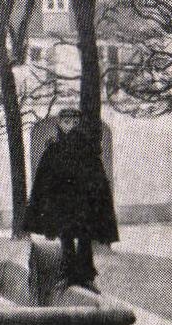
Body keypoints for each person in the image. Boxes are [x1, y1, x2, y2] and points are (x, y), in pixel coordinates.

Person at [24, 107, 118, 288]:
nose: (71, 126)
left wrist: (96, 200)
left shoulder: (88, 149)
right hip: (62, 203)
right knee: (66, 236)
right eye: (67, 122)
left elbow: (98, 178)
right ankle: (67, 273)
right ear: (60, 124)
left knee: (84, 236)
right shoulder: (53, 149)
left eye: (75, 122)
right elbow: (44, 178)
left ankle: (85, 275)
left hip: (83, 203)